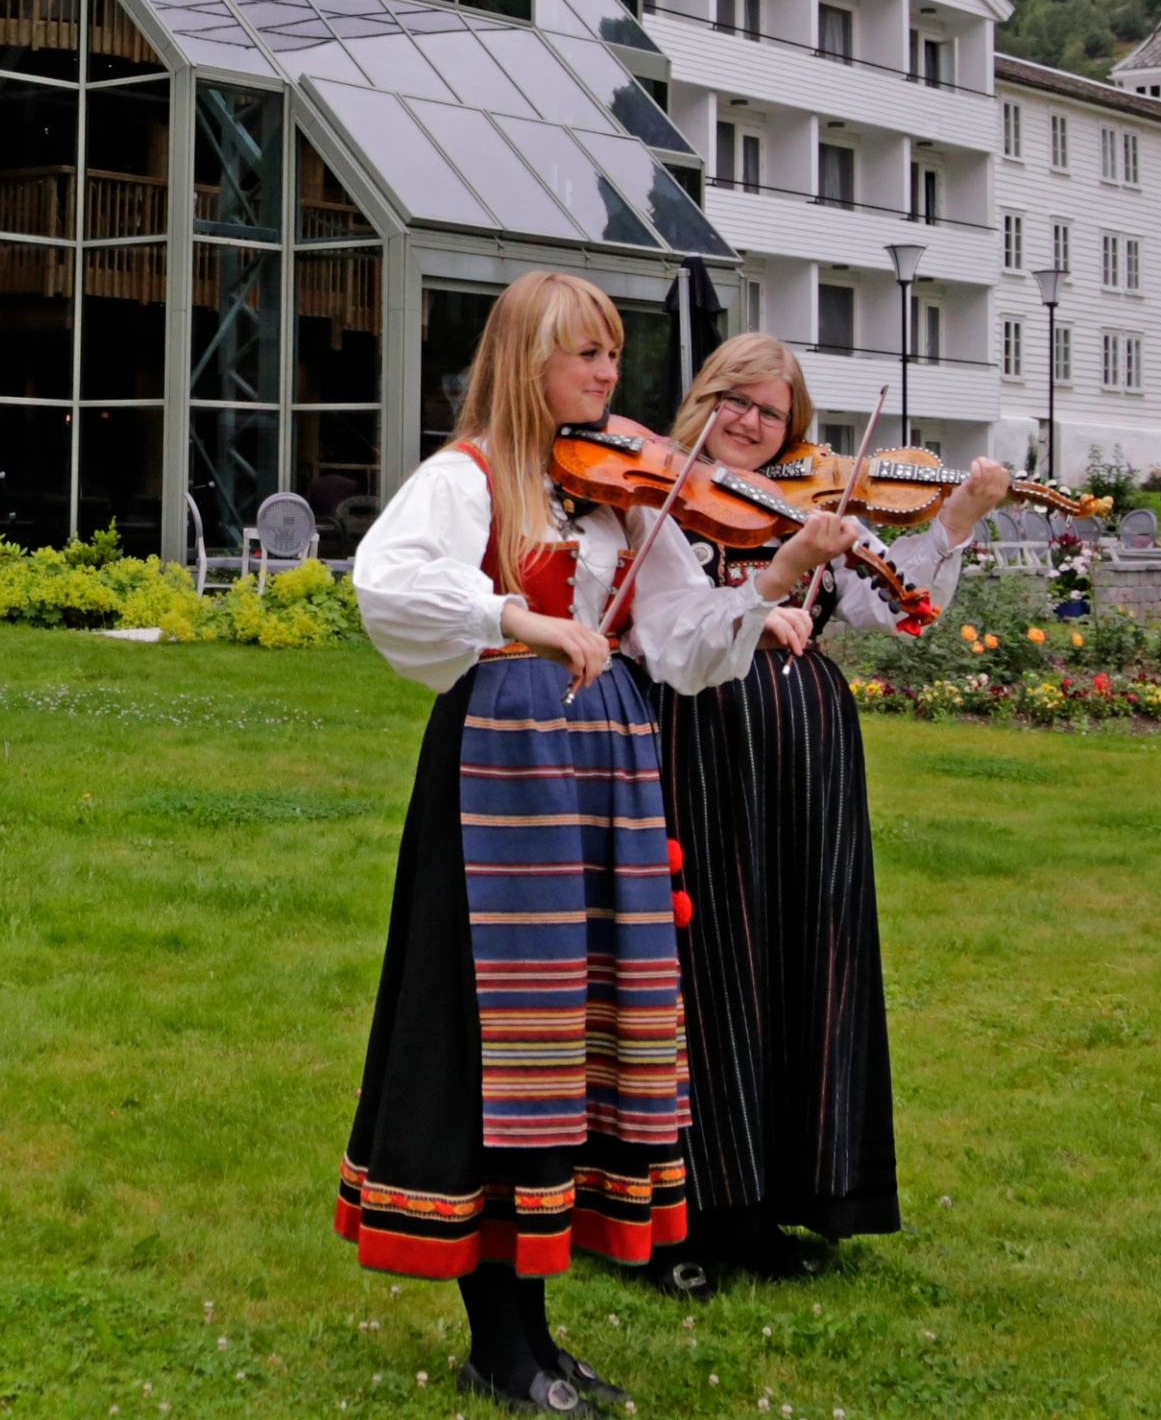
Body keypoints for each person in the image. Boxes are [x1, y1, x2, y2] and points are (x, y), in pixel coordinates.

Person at [340, 273, 860, 1414]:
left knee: (580, 1038)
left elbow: (677, 641)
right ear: (527, 361)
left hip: (611, 762)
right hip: (504, 768)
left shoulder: (624, 498)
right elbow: (386, 583)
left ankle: (535, 1332)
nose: (606, 377)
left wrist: (778, 572)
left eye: (614, 357)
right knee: (502, 1042)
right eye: (584, 355)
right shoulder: (471, 476)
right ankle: (503, 1341)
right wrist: (513, 616)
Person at [644, 332, 1008, 1290]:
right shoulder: (654, 500)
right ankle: (684, 1218)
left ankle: (774, 1206)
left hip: (806, 753)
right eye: (737, 402)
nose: (752, 425)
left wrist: (959, 516)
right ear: (705, 399)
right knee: (707, 965)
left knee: (806, 963)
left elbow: (899, 608)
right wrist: (757, 597)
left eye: (773, 412)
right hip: (700, 748)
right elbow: (649, 626)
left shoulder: (813, 502)